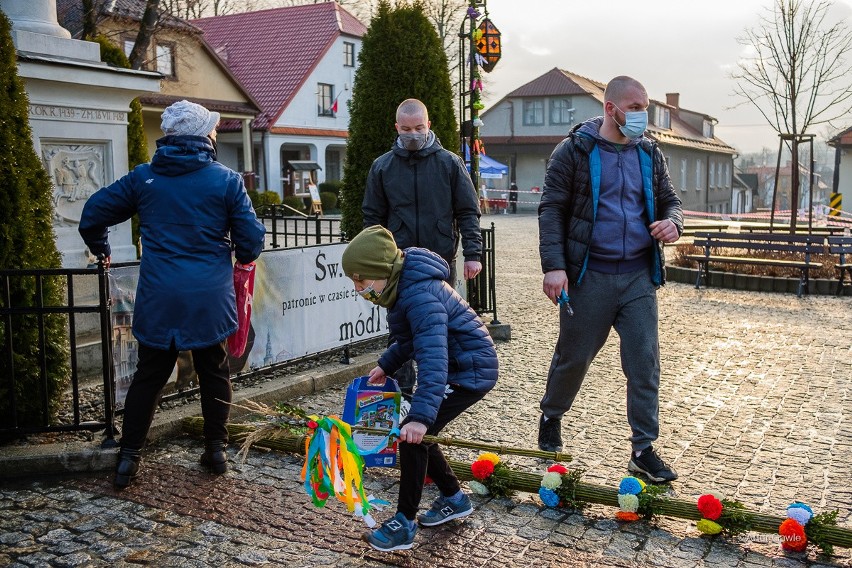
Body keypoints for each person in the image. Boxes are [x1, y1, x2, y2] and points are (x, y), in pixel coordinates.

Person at [79, 100, 266, 489]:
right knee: (214, 370)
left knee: (149, 375)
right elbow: (251, 240)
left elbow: (93, 214)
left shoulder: (144, 178)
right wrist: (240, 256)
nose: (215, 133)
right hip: (207, 295)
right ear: (202, 136)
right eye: (212, 129)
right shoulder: (226, 180)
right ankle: (215, 450)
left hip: (159, 293)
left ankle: (129, 457)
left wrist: (102, 248)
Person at [536, 76, 683, 483]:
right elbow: (551, 209)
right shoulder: (574, 151)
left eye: (645, 105)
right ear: (610, 109)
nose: (641, 114)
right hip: (589, 276)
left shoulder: (650, 153)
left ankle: (643, 448)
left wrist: (673, 222)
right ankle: (551, 413)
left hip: (638, 276)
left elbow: (671, 200)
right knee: (574, 357)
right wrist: (554, 264)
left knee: (644, 363)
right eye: (634, 107)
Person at [341, 226, 498, 552]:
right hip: (459, 366)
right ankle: (454, 498)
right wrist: (386, 364)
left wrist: (421, 416)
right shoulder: (405, 288)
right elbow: (410, 339)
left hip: (467, 372)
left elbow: (433, 358)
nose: (359, 290)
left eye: (362, 281)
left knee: (413, 436)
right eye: (354, 283)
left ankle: (404, 524)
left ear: (383, 272)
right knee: (421, 436)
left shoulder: (420, 296)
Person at [362, 98, 483, 398]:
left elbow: (468, 211)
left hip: (440, 263)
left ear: (429, 125)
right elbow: (372, 220)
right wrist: (373, 263)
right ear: (397, 128)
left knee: (441, 329)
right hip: (398, 266)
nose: (412, 134)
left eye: (418, 127)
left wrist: (473, 254)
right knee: (401, 331)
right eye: (406, 129)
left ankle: (444, 387)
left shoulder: (450, 164)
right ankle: (401, 392)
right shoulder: (382, 167)